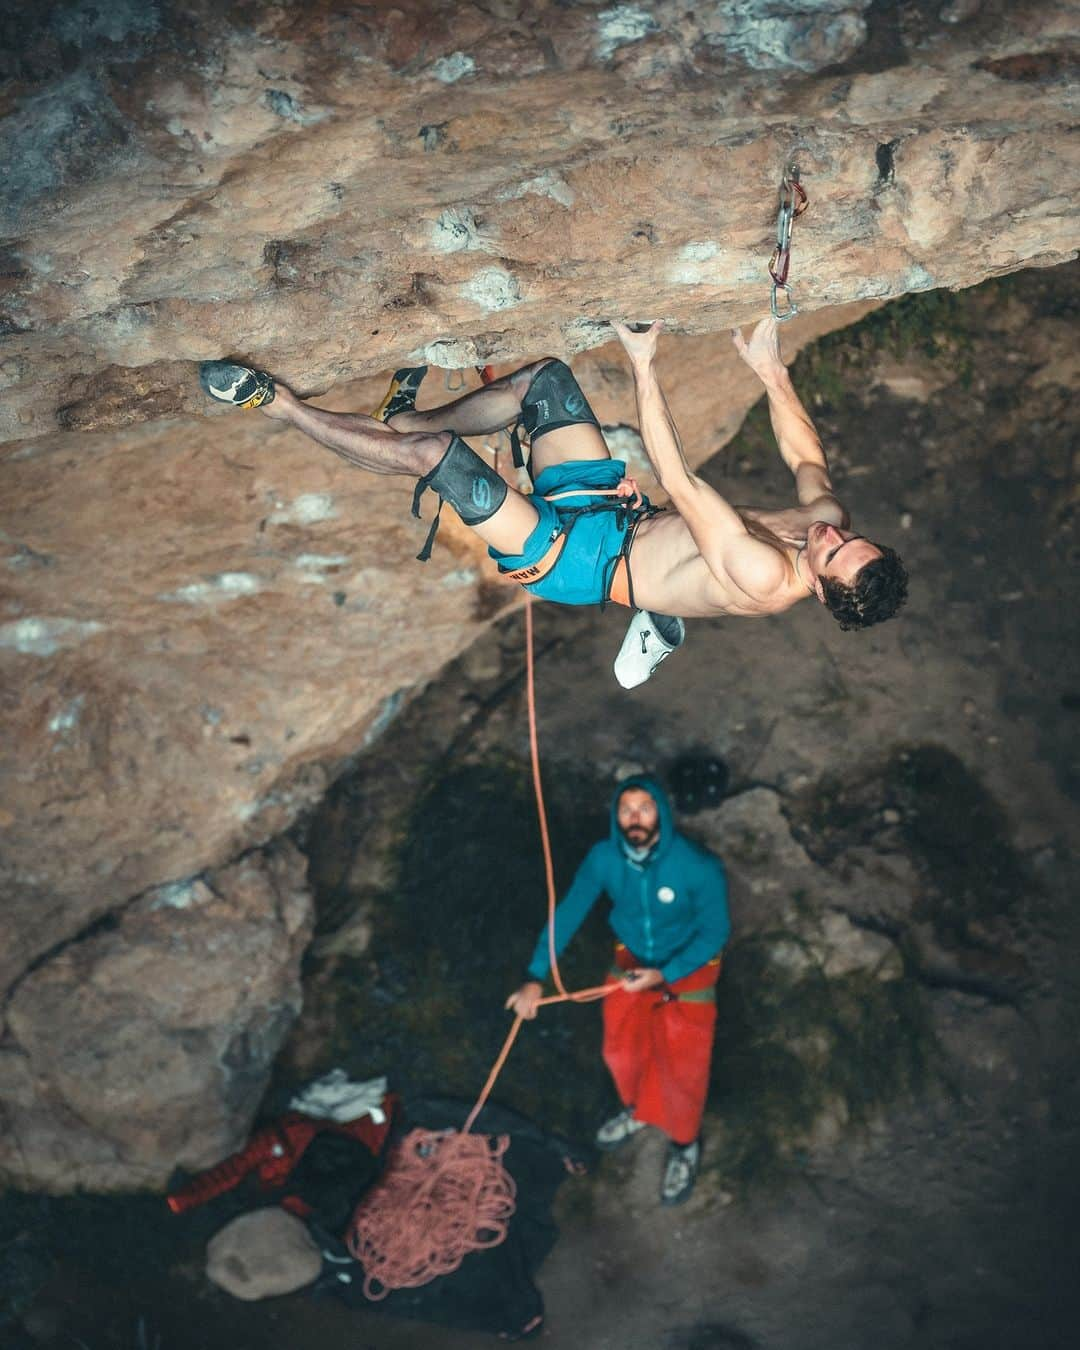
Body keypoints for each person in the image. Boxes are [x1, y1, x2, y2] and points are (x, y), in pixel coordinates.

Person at [199, 315, 906, 684]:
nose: (832, 537)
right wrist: (772, 374)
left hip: (578, 561)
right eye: (848, 538)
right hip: (622, 517)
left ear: (820, 593)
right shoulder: (826, 527)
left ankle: (277, 406)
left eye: (834, 556)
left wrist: (642, 363)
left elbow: (681, 478)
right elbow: (807, 458)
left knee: (442, 465)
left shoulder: (766, 577)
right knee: (544, 382)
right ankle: (404, 416)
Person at [504, 774, 730, 1206]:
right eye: (626, 809)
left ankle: (685, 1143)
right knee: (621, 1051)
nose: (635, 818)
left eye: (645, 808)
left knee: (683, 1067)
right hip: (631, 963)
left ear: (661, 812)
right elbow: (569, 912)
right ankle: (639, 1110)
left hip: (687, 970)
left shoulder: (698, 866)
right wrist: (535, 976)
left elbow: (714, 933)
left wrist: (666, 973)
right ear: (616, 815)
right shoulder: (604, 858)